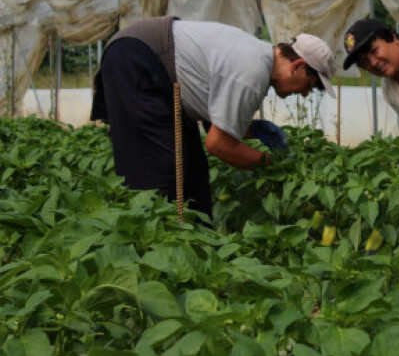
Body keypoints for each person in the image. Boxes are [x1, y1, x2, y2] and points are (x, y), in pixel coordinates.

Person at [90, 16, 336, 218]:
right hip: (139, 58)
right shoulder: (252, 72)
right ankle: (151, 250)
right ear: (297, 66)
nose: (305, 93)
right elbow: (218, 145)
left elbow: (214, 124)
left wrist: (252, 130)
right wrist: (273, 164)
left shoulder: (256, 59)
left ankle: (197, 248)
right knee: (159, 175)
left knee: (193, 175)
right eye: (310, 85)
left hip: (150, 62)